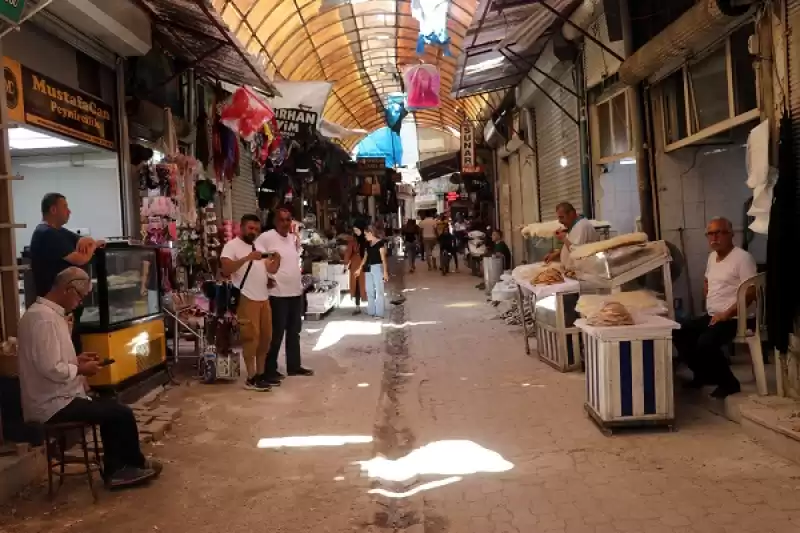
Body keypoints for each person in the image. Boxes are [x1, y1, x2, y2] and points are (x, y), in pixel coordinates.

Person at [17, 267, 160, 488]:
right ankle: (123, 468)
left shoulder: (47, 315)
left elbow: (52, 361)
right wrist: (80, 370)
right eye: (80, 296)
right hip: (52, 403)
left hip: (57, 396)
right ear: (67, 289)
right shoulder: (43, 319)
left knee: (113, 408)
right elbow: (50, 369)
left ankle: (128, 465)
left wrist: (77, 361)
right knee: (120, 413)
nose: (80, 302)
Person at [673, 217, 757, 398]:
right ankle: (702, 375)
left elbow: (751, 293)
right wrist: (708, 294)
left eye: (719, 232)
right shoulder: (712, 257)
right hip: (713, 315)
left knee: (706, 342)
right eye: (710, 234)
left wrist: (727, 313)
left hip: (737, 318)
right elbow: (707, 280)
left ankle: (729, 383)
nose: (714, 238)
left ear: (731, 234)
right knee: (680, 331)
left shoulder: (742, 258)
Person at [29, 193, 104, 353]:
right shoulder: (46, 234)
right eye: (65, 207)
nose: (69, 211)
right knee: (64, 350)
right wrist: (92, 246)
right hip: (56, 305)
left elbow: (85, 241)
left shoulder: (59, 232)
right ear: (53, 209)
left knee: (73, 346)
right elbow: (80, 258)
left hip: (67, 304)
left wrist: (88, 241)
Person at [221, 214, 281, 391]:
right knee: (250, 338)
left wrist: (277, 260)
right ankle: (251, 377)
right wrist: (247, 258)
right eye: (250, 228)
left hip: (264, 298)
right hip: (247, 298)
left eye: (256, 228)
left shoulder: (259, 245)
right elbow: (226, 269)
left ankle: (261, 375)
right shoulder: (231, 246)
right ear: (241, 227)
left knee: (265, 338)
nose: (253, 231)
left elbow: (270, 268)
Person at [257, 208, 314, 383]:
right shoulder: (266, 237)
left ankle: (294, 366)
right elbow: (257, 258)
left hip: (295, 292)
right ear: (275, 221)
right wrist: (265, 277)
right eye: (282, 220)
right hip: (277, 294)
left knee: (294, 331)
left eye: (288, 219)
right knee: (276, 333)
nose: (286, 223)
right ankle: (269, 369)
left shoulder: (292, 239)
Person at [544, 202, 599, 267]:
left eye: (562, 217)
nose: (560, 221)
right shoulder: (574, 225)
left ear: (571, 214)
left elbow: (577, 252)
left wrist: (563, 238)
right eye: (559, 218)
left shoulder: (582, 227)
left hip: (582, 272)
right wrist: (555, 255)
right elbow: (571, 245)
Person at [355, 226, 389, 318]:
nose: (365, 236)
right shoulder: (367, 244)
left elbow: (383, 259)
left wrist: (385, 272)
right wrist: (359, 268)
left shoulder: (380, 243)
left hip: (377, 267)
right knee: (369, 290)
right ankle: (371, 310)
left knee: (379, 291)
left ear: (370, 233)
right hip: (367, 268)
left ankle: (379, 313)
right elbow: (365, 257)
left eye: (366, 234)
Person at [344, 223, 368, 314]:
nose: (356, 232)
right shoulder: (352, 241)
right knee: (357, 285)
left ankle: (373, 306)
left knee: (367, 284)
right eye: (354, 230)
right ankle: (357, 306)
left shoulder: (366, 239)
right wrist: (345, 263)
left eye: (357, 230)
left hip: (365, 264)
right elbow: (348, 252)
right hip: (355, 265)